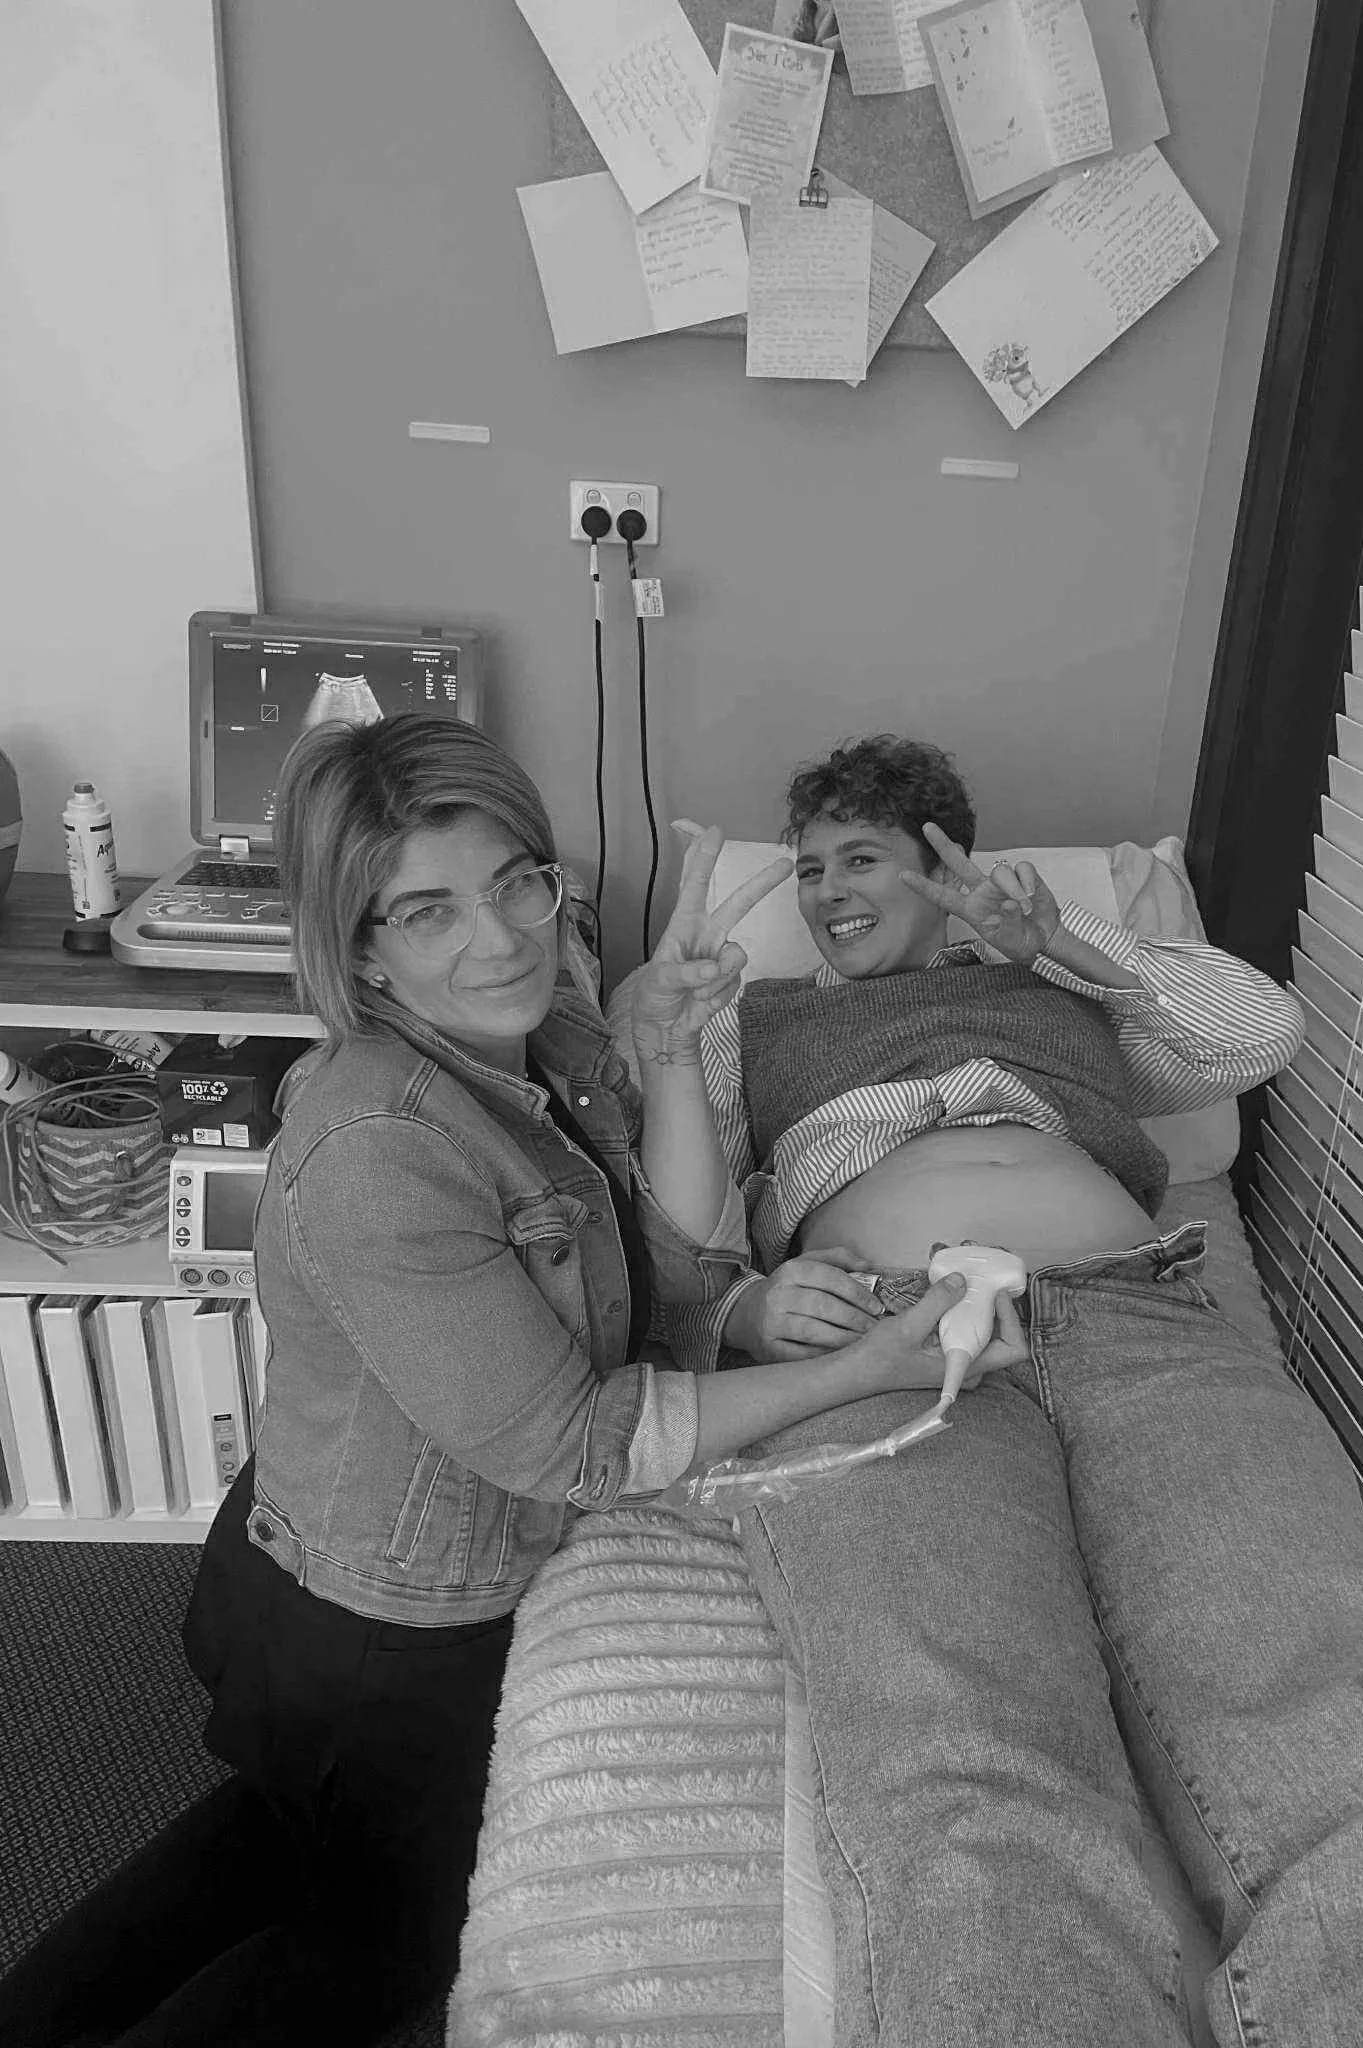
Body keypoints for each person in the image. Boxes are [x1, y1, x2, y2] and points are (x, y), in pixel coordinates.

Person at [0, 716, 980, 2048]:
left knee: (280, 1842)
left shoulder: (549, 1036)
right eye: (430, 910)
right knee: (370, 1959)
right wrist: (866, 1368)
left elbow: (659, 1263)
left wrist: (688, 1101)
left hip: (333, 1587)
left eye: (517, 880)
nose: (504, 936)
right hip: (374, 1631)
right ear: (358, 947)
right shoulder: (379, 1148)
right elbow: (575, 1446)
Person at [674, 734, 1363, 2048]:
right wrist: (736, 1293)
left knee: (1327, 1707)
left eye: (861, 859)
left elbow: (1263, 1035)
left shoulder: (1064, 991)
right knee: (967, 1754)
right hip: (891, 1337)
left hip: (1143, 1312)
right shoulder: (764, 1019)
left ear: (945, 869)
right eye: (804, 869)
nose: (824, 893)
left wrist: (1066, 937)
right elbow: (680, 1239)